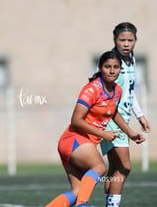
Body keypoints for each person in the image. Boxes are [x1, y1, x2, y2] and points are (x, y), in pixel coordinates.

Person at [45, 51, 145, 207]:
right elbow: (76, 120)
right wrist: (103, 134)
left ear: (120, 69)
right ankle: (82, 205)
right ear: (100, 68)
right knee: (99, 167)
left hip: (81, 144)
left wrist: (131, 133)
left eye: (116, 67)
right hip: (73, 140)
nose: (112, 71)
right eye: (107, 67)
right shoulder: (92, 89)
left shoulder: (117, 90)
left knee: (77, 192)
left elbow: (113, 112)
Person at [100, 22, 151, 207]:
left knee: (114, 169)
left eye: (130, 40)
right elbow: (102, 93)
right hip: (111, 120)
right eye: (122, 40)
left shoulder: (132, 59)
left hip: (123, 118)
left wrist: (139, 115)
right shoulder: (113, 62)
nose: (127, 43)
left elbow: (130, 91)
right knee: (124, 167)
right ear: (115, 40)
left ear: (136, 40)